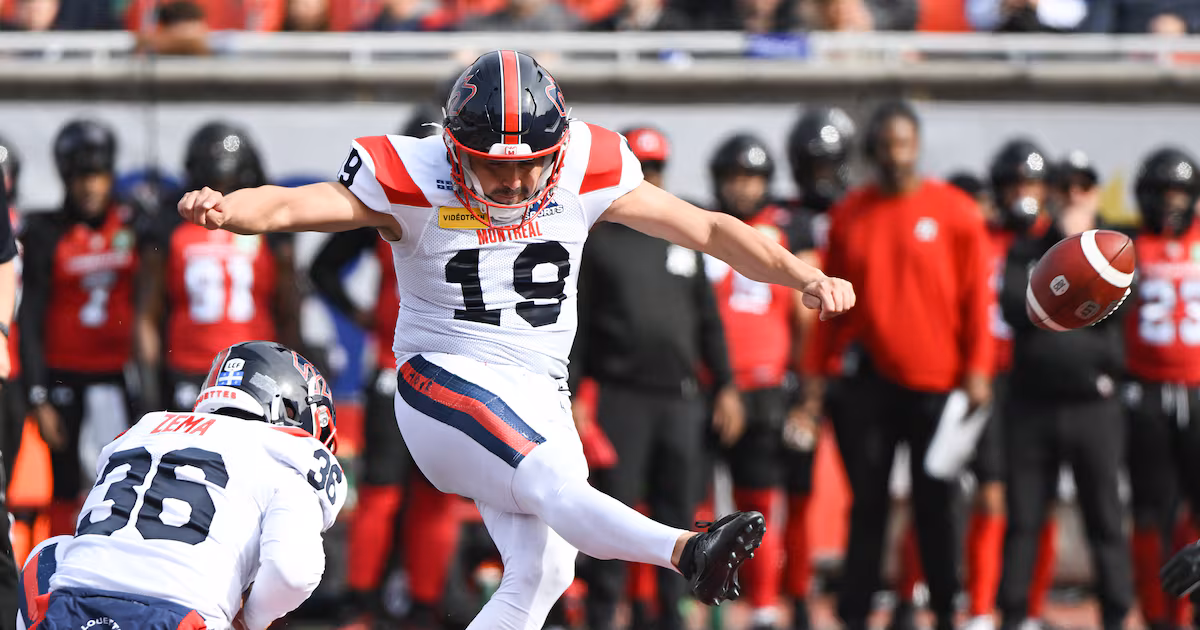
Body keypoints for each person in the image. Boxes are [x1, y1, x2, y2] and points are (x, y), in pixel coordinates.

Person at [177, 49, 854, 629]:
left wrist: (802, 273)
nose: (515, 181)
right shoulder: (413, 172)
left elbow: (706, 228)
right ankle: (688, 551)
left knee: (548, 566)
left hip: (540, 389)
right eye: (493, 166)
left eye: (532, 164)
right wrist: (233, 209)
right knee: (557, 484)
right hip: (441, 377)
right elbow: (302, 204)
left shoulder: (589, 163)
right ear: (452, 147)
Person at [805, 100, 992, 630]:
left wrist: (978, 368)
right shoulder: (850, 214)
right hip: (869, 386)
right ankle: (856, 613)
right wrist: (816, 376)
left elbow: (976, 298)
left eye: (903, 144)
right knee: (868, 507)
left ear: (917, 146)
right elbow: (829, 306)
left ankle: (943, 609)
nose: (895, 156)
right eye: (885, 146)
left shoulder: (955, 211)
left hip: (939, 387)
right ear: (873, 152)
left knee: (938, 506)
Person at [16, 340, 344, 630]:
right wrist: (251, 620)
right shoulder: (286, 454)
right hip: (179, 619)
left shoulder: (140, 430)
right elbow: (293, 573)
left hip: (71, 613)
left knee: (49, 552)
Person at [572, 124, 743, 630]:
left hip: (681, 400)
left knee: (681, 513)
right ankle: (604, 615)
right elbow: (578, 326)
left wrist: (727, 385)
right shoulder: (597, 241)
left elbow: (707, 320)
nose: (652, 177)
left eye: (658, 168)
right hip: (621, 397)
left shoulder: (683, 235)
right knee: (614, 512)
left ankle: (670, 616)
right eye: (642, 168)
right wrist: (575, 396)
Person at [310, 109, 467, 629]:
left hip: (444, 365)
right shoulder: (393, 206)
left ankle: (418, 604)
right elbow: (324, 264)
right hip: (403, 364)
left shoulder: (474, 205)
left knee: (435, 494)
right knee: (386, 490)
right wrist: (362, 315)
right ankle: (364, 602)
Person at [997, 147, 1131, 630]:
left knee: (1106, 519)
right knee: (1025, 520)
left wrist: (1081, 269)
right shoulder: (1028, 246)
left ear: (1094, 191)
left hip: (1094, 404)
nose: (1074, 195)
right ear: (1051, 194)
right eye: (1064, 186)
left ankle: (1116, 614)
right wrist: (1069, 264)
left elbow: (1122, 319)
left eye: (1083, 185)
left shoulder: (1119, 246)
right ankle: (1015, 614)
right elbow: (1016, 306)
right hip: (1032, 402)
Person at [19, 119, 155, 538]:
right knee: (63, 486)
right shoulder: (46, 232)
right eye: (80, 177)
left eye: (96, 176)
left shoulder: (134, 224)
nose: (89, 187)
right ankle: (58, 570)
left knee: (123, 481)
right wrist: (38, 394)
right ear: (65, 178)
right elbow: (30, 315)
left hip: (117, 375)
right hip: (65, 375)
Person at [139, 121, 301, 413]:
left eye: (230, 186)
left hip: (258, 371)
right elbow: (147, 315)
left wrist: (292, 372)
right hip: (189, 369)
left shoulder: (270, 230)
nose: (220, 196)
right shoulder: (169, 227)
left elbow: (288, 309)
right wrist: (149, 387)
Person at [1121, 147, 1200, 630]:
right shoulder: (1125, 247)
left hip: (1197, 388)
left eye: (1180, 193)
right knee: (1150, 509)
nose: (1171, 203)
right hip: (1146, 391)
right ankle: (1155, 614)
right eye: (1162, 193)